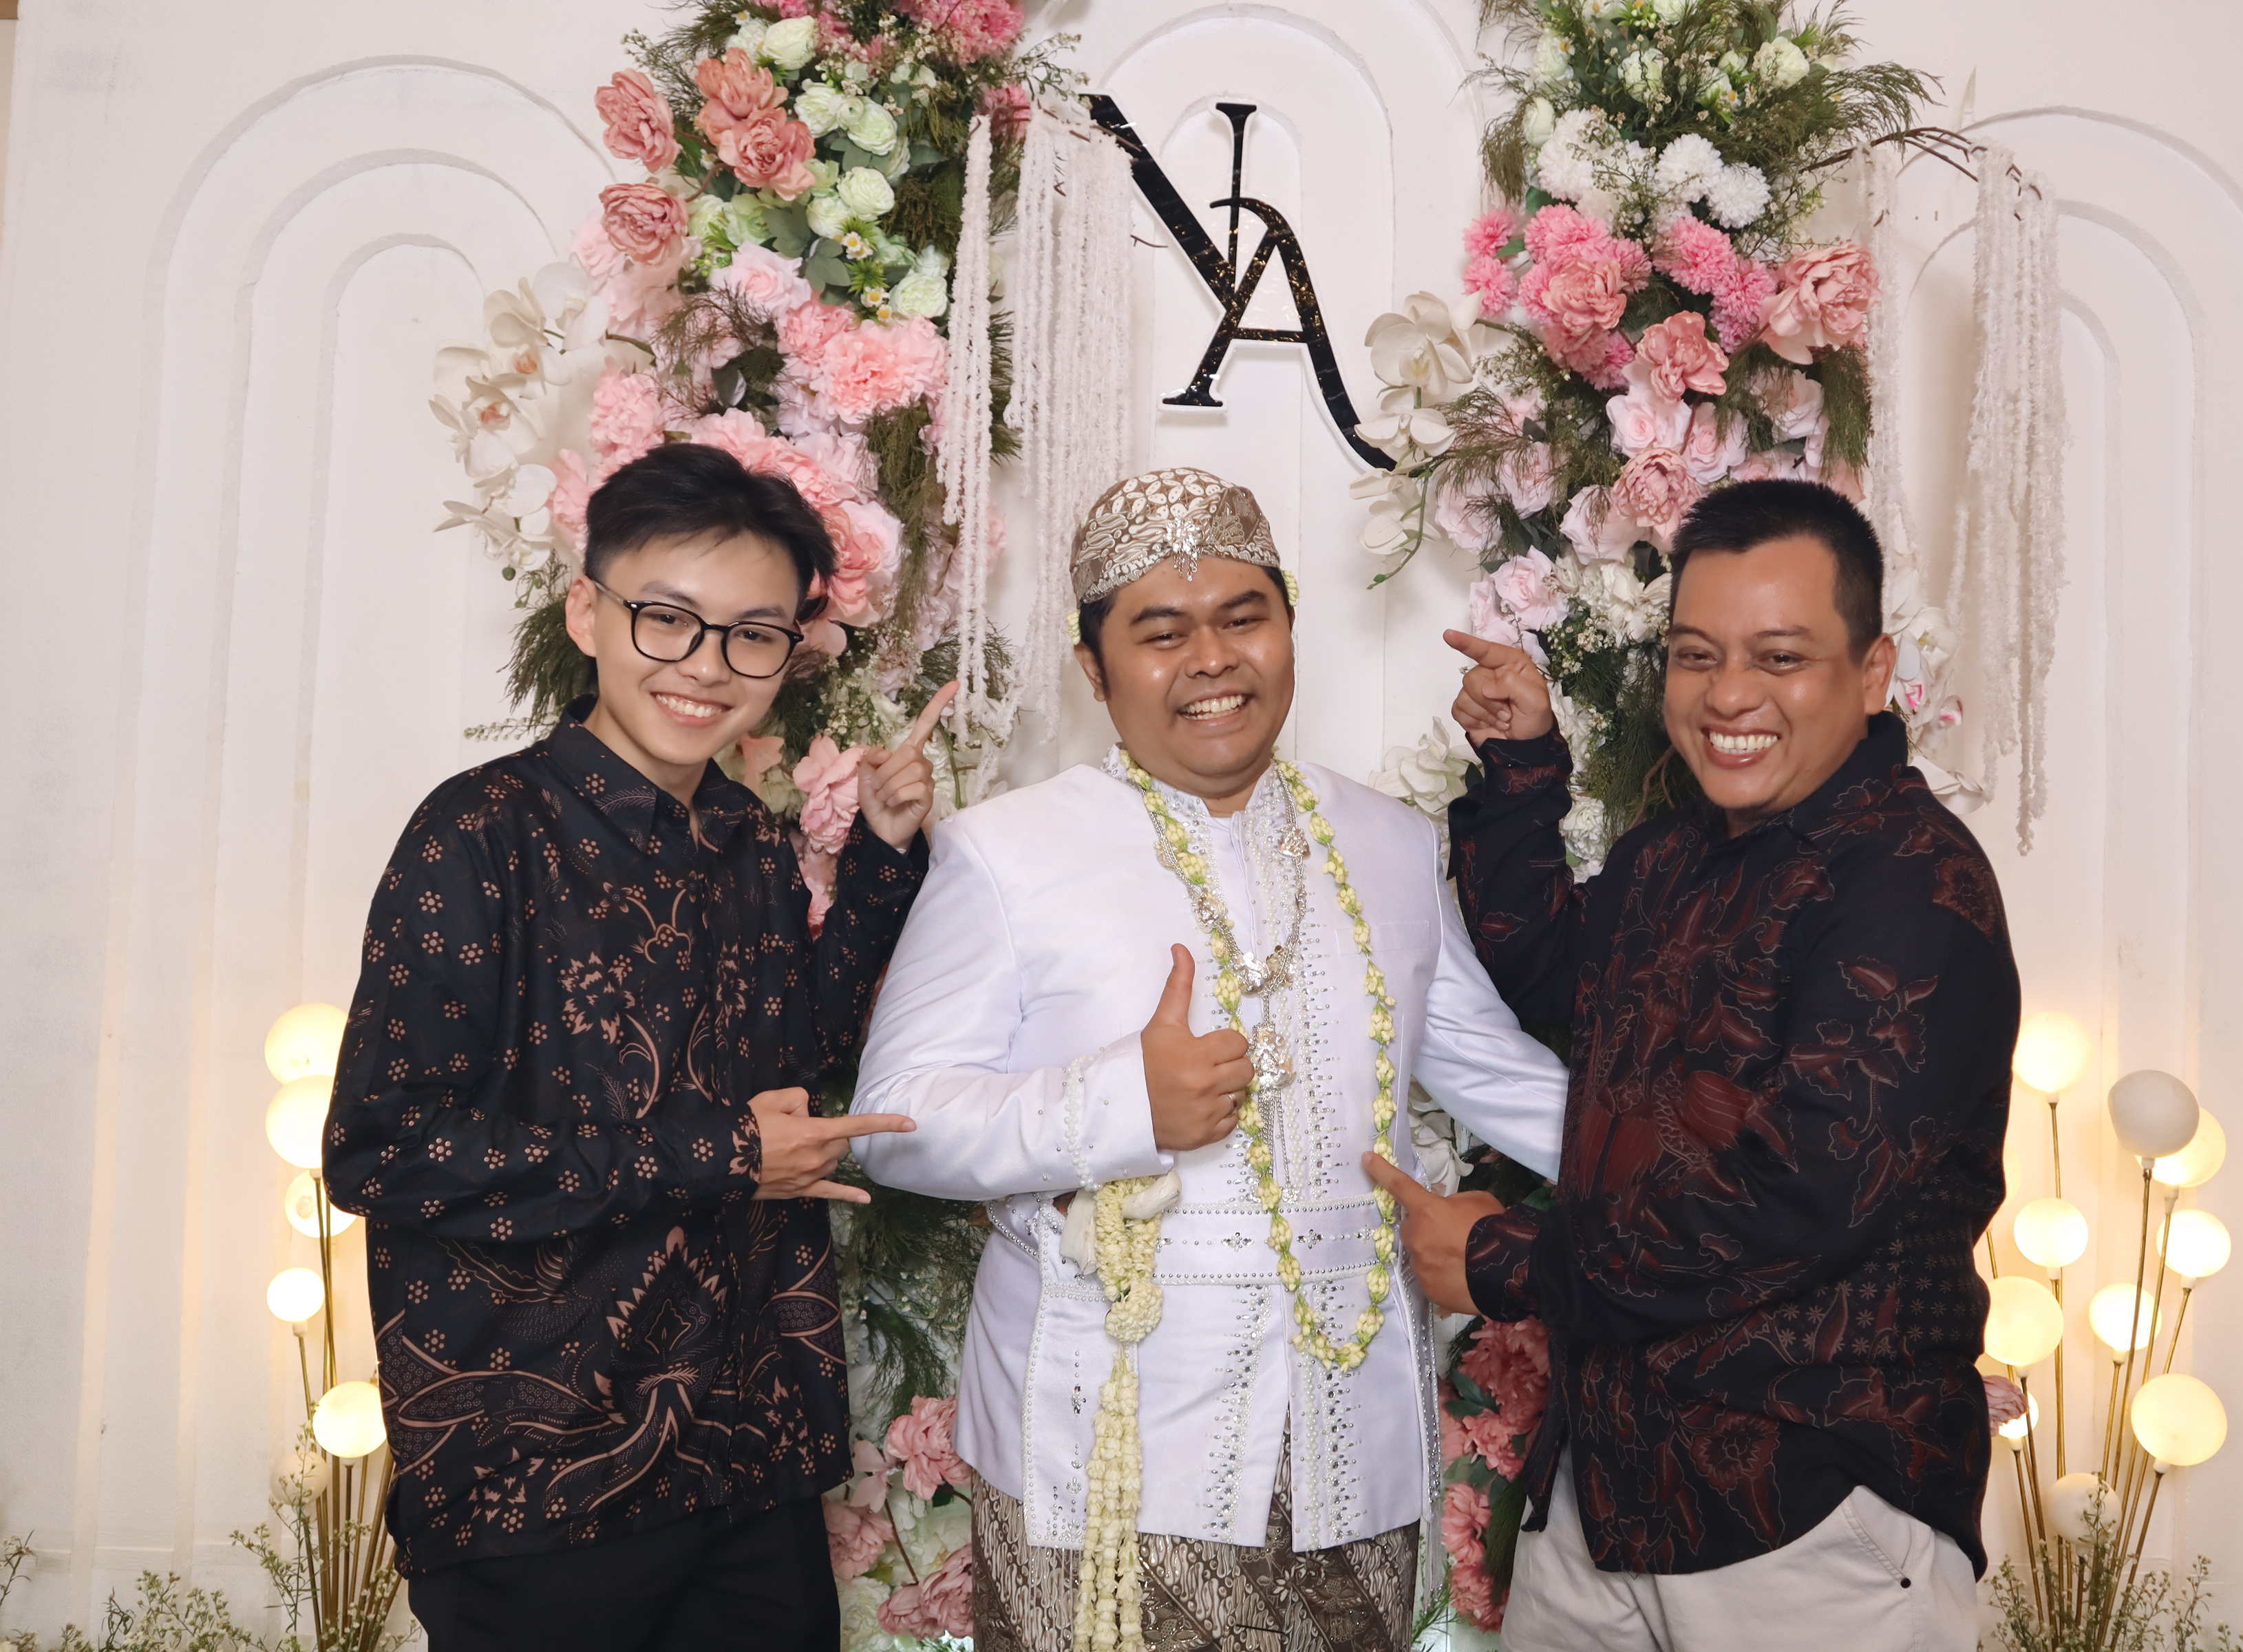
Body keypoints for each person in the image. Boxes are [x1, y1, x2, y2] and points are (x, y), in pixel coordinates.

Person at [847, 467, 1570, 1651]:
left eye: (1244, 617)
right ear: (1095, 670)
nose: (1213, 659)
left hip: (1350, 1454)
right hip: (1107, 1466)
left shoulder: (1387, 843)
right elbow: (895, 1119)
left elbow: (1500, 1076)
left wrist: (1713, 1200)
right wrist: (1118, 1104)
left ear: (1289, 627)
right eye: (1161, 632)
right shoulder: (1006, 855)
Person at [1370, 478, 2017, 1651]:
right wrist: (1522, 767)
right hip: (1607, 1502)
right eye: (1696, 655)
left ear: (1872, 673)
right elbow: (1555, 981)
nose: (1729, 696)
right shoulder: (1673, 855)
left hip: (1809, 1515)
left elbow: (1787, 1205)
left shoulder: (1916, 887)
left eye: (1781, 658)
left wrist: (1504, 1259)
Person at [324, 441, 948, 1652]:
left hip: (747, 1451)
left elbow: (797, 1060)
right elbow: (383, 1151)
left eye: (752, 635)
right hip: (540, 1472)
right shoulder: (478, 834)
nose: (707, 667)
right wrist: (724, 1155)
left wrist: (878, 856)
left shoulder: (750, 841)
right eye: (668, 619)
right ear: (589, 615)